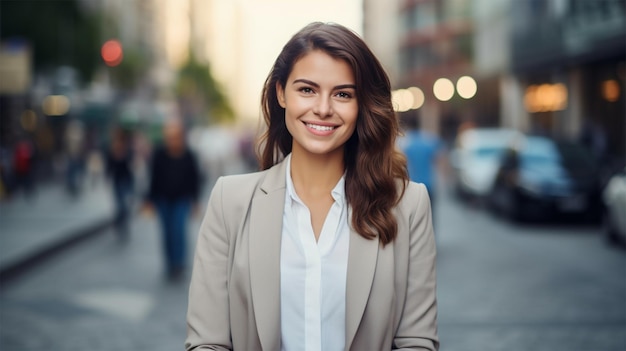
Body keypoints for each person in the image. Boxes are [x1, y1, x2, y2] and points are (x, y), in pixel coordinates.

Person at [186, 22, 438, 351]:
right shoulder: (229, 202)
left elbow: (416, 341)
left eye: (343, 94)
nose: (322, 108)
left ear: (362, 104)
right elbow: (208, 342)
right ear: (281, 93)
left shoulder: (407, 205)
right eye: (307, 89)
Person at [146, 119, 201, 280]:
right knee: (167, 233)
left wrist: (195, 201)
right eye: (169, 136)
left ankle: (179, 263)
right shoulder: (159, 154)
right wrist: (149, 199)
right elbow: (153, 178)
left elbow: (195, 179)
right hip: (162, 200)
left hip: (181, 200)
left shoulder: (189, 155)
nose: (172, 140)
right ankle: (170, 264)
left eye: (176, 136)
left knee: (178, 231)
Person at [401, 116, 443, 222]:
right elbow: (438, 159)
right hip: (428, 184)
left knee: (414, 219)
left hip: (411, 185)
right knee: (430, 216)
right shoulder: (428, 141)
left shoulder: (405, 143)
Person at [106, 127, 134, 241]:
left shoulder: (127, 149)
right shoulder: (112, 149)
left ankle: (121, 222)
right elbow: (109, 166)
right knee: (120, 204)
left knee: (125, 204)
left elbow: (130, 162)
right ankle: (118, 221)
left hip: (127, 180)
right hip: (117, 181)